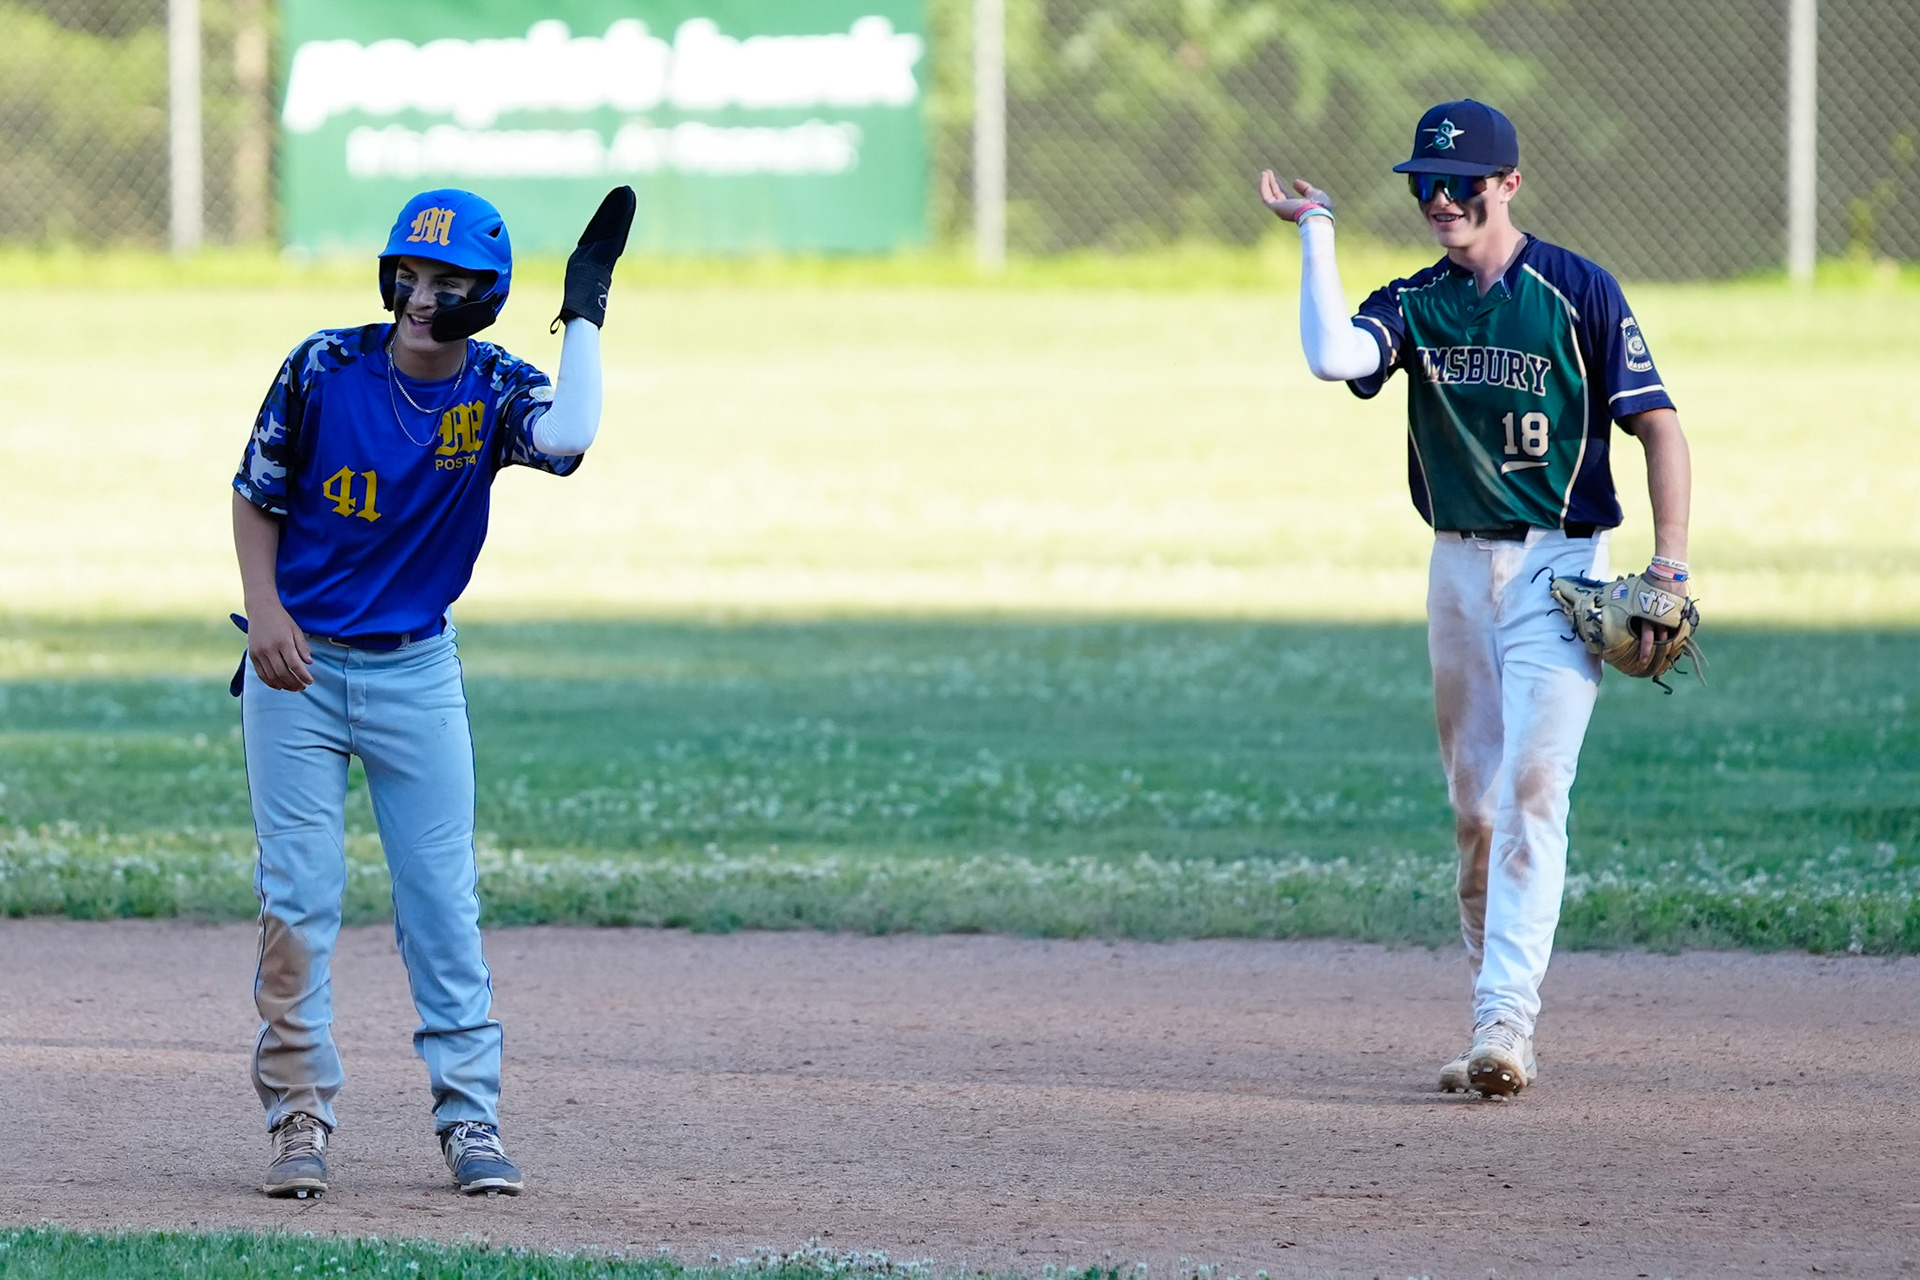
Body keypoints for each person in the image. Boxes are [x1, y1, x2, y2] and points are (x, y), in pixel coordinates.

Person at [1258, 100, 1692, 1097]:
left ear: (1509, 184)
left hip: (1561, 570)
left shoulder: (1577, 290)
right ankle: (1489, 1005)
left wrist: (1668, 565)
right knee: (1476, 809)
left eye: (1460, 183)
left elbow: (1659, 427)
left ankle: (1506, 1022)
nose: (1440, 199)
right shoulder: (1418, 302)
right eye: (1425, 183)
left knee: (1534, 786)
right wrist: (1317, 230)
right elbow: (1334, 356)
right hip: (1456, 570)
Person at [231, 185, 634, 1194]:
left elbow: (570, 433)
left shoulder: (493, 388)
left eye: (447, 282)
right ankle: (297, 1119)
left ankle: (470, 1120)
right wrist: (265, 611)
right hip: (298, 667)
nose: (419, 298)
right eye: (407, 275)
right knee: (298, 903)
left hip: (416, 671)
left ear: (486, 296)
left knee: (442, 905)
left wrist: (584, 305)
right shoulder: (324, 366)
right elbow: (255, 493)